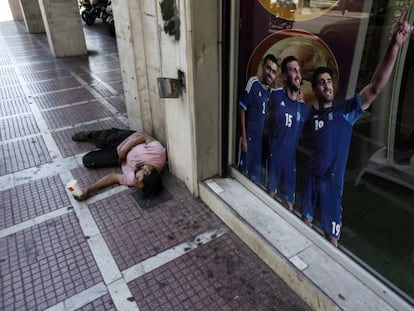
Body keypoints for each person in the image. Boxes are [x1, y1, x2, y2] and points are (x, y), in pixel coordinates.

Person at [301, 6, 413, 247]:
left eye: (329, 81)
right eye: (321, 83)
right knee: (303, 234)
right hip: (310, 182)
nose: (326, 86)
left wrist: (394, 45)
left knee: (331, 243)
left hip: (331, 188)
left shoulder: (346, 112)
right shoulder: (308, 114)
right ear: (315, 90)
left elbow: (375, 87)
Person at [71, 128, 166, 201]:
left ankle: (104, 147)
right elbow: (145, 137)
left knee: (88, 160)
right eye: (137, 178)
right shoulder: (158, 154)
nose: (134, 179)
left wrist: (89, 190)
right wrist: (125, 149)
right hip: (130, 139)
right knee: (107, 138)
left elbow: (113, 178)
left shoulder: (136, 180)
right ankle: (90, 135)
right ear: (147, 172)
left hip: (119, 156)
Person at [267, 56, 310, 211]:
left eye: (299, 70)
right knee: (268, 198)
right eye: (293, 70)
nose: (298, 74)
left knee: (289, 206)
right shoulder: (275, 96)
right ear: (284, 76)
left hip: (290, 163)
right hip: (273, 158)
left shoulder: (304, 108)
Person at [238, 54, 278, 184]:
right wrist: (243, 138)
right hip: (248, 140)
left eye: (273, 72)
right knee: (241, 176)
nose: (269, 73)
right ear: (262, 66)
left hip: (259, 145)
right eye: (268, 68)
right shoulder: (253, 83)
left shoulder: (271, 93)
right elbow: (242, 109)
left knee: (255, 180)